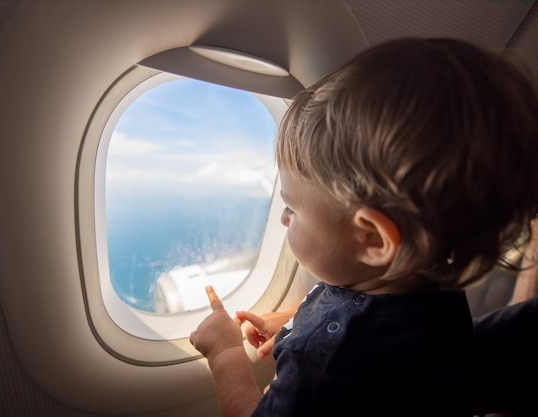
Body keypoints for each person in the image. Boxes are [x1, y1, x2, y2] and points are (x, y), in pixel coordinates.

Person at [189, 37, 538, 417]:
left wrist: (224, 354)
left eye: (291, 207)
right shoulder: (430, 284)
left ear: (373, 239)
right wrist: (292, 322)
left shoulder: (326, 362)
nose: (282, 218)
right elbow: (356, 310)